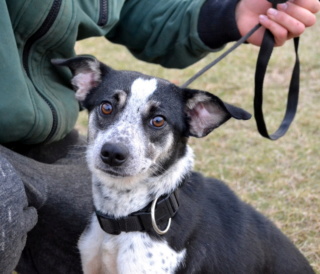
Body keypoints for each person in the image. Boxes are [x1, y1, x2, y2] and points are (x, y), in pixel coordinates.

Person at [0, 0, 319, 273]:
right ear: (85, 87)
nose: (117, 145)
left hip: (48, 144)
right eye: (108, 109)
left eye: (156, 121)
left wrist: (230, 13)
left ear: (198, 120)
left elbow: (136, 7)